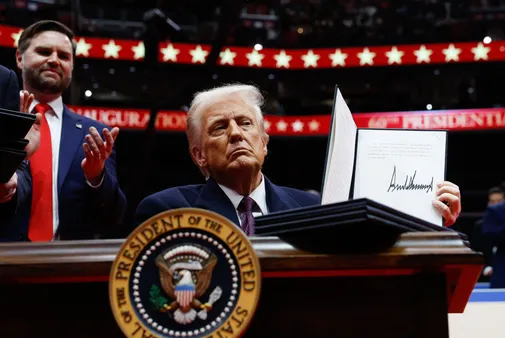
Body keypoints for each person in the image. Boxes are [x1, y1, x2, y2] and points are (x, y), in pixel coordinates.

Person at [134, 84, 463, 234]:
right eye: (220, 127)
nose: (236, 134)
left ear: (264, 143)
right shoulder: (166, 212)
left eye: (245, 123)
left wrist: (432, 219)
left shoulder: (313, 208)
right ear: (198, 155)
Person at [0, 20, 127, 241]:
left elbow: (115, 215)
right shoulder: (2, 118)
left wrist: (96, 176)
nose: (54, 60)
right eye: (44, 51)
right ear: (19, 58)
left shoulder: (95, 133)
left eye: (64, 56)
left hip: (66, 262)